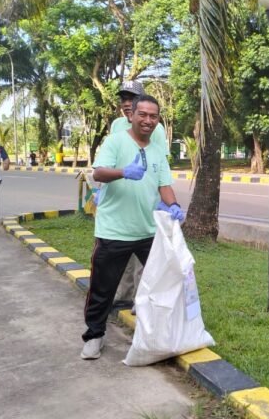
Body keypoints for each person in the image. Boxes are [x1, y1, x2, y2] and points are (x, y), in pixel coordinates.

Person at [81, 95, 185, 360]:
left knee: (161, 285)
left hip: (148, 233)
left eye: (153, 116)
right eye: (143, 114)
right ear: (132, 115)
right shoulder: (115, 141)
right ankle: (94, 336)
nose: (148, 120)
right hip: (113, 232)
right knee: (102, 290)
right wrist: (123, 172)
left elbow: (164, 185)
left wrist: (173, 205)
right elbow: (98, 173)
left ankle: (159, 336)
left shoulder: (158, 151)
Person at [109, 80, 169, 313]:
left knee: (143, 252)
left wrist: (164, 196)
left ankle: (140, 298)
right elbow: (111, 158)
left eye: (131, 99)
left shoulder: (155, 128)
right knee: (121, 248)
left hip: (145, 198)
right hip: (120, 196)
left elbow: (161, 164)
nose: (126, 103)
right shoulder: (116, 126)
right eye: (123, 99)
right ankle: (122, 294)